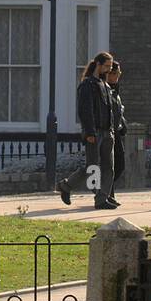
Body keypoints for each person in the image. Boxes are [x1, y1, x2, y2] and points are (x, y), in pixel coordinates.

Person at [56, 51, 117, 209]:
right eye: (106, 66)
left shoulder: (105, 85)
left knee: (109, 167)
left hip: (107, 132)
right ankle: (67, 186)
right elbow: (85, 110)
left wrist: (111, 130)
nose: (109, 70)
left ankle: (101, 198)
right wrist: (89, 132)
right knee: (92, 167)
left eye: (110, 67)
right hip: (95, 132)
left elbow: (108, 109)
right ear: (98, 64)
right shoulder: (87, 85)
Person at [106, 61, 127, 206]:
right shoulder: (105, 89)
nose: (117, 76)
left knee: (119, 165)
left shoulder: (115, 89)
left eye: (119, 73)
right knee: (111, 165)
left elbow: (118, 111)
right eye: (115, 73)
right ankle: (107, 194)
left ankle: (106, 191)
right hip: (107, 132)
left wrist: (123, 124)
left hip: (116, 132)